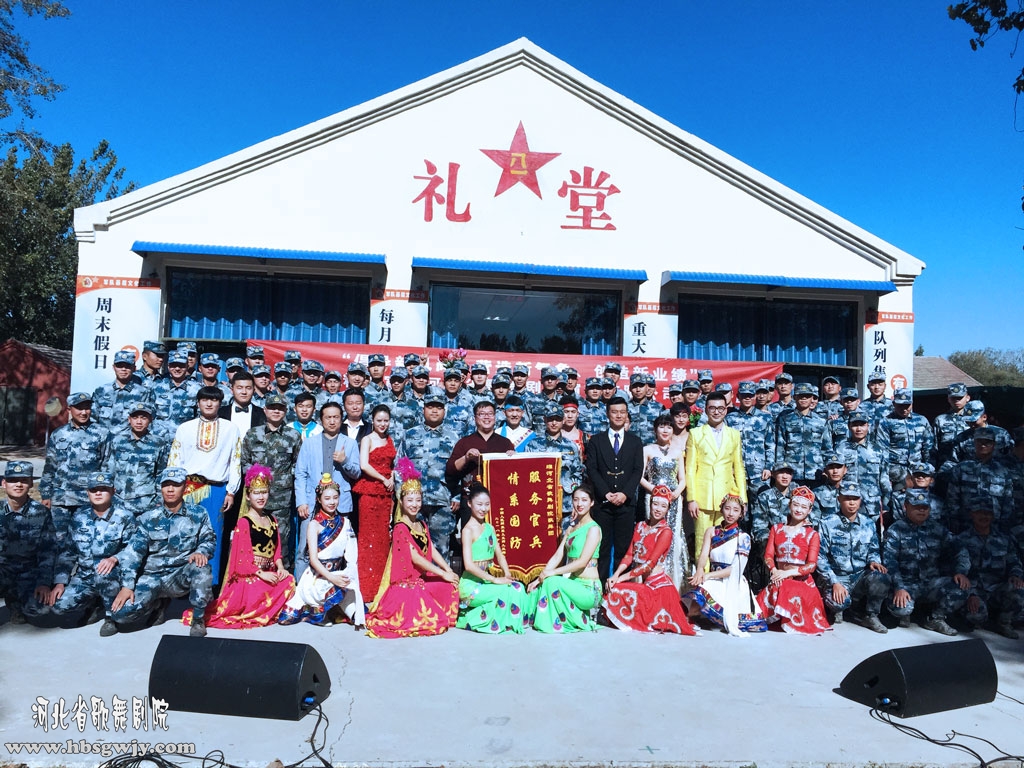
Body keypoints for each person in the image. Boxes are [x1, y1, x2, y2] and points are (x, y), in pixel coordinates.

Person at [186, 465, 295, 629]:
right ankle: (261, 611)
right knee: (261, 589)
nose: (261, 497)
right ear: (248, 496)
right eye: (256, 493)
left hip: (269, 573)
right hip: (250, 577)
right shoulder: (244, 522)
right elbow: (242, 561)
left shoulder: (272, 519)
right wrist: (262, 574)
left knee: (289, 580)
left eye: (264, 492)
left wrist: (280, 568)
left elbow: (277, 551)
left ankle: (267, 609)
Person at [110, 467, 216, 637]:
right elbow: (133, 553)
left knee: (201, 568)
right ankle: (157, 605)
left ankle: (198, 618)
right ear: (160, 488)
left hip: (180, 576)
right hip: (151, 577)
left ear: (185, 487)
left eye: (176, 485)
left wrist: (201, 551)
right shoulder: (148, 518)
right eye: (166, 485)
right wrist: (127, 586)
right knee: (120, 615)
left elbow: (209, 539)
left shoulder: (198, 514)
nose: (170, 489)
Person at [365, 459, 460, 638]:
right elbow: (415, 558)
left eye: (418, 500)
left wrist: (447, 569)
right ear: (401, 502)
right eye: (409, 500)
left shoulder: (421, 524)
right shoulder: (400, 528)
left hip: (421, 578)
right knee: (432, 620)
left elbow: (431, 548)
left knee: (450, 586)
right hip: (406, 584)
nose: (414, 504)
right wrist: (441, 573)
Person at [167, 386, 242, 585]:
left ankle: (210, 583)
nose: (209, 404)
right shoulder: (185, 428)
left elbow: (235, 462)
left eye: (214, 400)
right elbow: (175, 460)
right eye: (204, 400)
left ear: (220, 403)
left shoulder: (231, 429)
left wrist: (231, 492)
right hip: (188, 489)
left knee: (213, 536)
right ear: (198, 403)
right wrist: (173, 489)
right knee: (184, 534)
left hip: (216, 489)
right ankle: (181, 584)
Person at [602, 485, 696, 634]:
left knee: (617, 590)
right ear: (650, 504)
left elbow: (649, 565)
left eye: (663, 506)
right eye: (656, 504)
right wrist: (615, 575)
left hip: (658, 588)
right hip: (645, 584)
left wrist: (620, 579)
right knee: (613, 588)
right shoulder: (640, 526)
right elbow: (629, 555)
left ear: (668, 509)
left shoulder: (665, 532)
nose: (658, 509)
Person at [278, 473, 362, 627]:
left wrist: (349, 575)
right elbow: (313, 560)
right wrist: (332, 578)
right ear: (319, 499)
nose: (332, 502)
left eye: (335, 497)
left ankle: (350, 612)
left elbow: (351, 557)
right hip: (317, 577)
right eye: (327, 498)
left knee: (357, 608)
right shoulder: (314, 525)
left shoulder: (345, 523)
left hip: (337, 573)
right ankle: (320, 611)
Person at [884, 488, 971, 635]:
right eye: (917, 507)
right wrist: (899, 587)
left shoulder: (938, 529)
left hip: (931, 583)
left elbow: (960, 549)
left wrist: (961, 572)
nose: (921, 510)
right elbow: (889, 561)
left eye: (925, 507)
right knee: (902, 609)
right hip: (906, 584)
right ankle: (906, 613)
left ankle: (935, 618)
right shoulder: (896, 530)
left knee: (962, 587)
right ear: (906, 506)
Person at [293, 401, 361, 579]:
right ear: (321, 420)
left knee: (340, 549)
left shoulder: (350, 443)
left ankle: (338, 587)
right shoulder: (309, 443)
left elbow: (356, 473)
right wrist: (301, 501)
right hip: (311, 504)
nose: (332, 421)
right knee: (305, 549)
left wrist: (345, 461)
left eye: (336, 417)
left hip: (339, 504)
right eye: (328, 417)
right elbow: (300, 474)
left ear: (341, 419)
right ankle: (301, 587)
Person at [684, 494, 767, 636]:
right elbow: (703, 555)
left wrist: (708, 575)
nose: (731, 513)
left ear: (741, 514)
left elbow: (734, 570)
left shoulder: (743, 537)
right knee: (693, 605)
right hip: (713, 578)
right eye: (727, 508)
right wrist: (699, 570)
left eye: (736, 510)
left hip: (732, 582)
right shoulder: (711, 531)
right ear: (721, 509)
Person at [527, 483, 603, 633]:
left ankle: (560, 623)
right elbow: (557, 556)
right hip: (573, 583)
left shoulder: (593, 529)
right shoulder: (571, 528)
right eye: (576, 499)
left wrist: (552, 573)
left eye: (584, 500)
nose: (579, 504)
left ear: (592, 503)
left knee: (552, 581)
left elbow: (581, 562)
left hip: (589, 589)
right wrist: (539, 578)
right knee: (539, 587)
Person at [815, 482, 891, 632]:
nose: (851, 502)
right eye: (847, 498)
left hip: (859, 575)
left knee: (881, 577)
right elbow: (820, 556)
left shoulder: (868, 523)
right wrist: (834, 582)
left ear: (860, 500)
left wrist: (874, 560)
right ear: (839, 499)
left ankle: (871, 615)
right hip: (838, 576)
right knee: (838, 603)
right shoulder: (827, 524)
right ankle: (839, 609)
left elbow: (874, 548)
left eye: (855, 499)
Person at [40, 392, 108, 557]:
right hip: (61, 498)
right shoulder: (58, 434)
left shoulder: (102, 433)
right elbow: (50, 466)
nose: (84, 412)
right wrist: (45, 493)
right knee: (59, 542)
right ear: (69, 410)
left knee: (86, 541)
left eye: (87, 408)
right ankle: (60, 572)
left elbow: (107, 466)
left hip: (88, 499)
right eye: (79, 408)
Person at [756, 486, 831, 634]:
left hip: (802, 583)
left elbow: (811, 566)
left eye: (804, 507)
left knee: (785, 587)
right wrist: (775, 571)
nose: (798, 510)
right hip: (779, 579)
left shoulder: (812, 534)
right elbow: (768, 556)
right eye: (795, 505)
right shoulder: (776, 529)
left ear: (809, 510)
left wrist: (786, 573)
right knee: (771, 594)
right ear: (789, 505)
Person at [240, 392, 302, 571]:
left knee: (281, 538)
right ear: (265, 410)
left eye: (280, 408)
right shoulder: (253, 434)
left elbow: (298, 465)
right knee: (254, 536)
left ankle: (282, 574)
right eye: (272, 408)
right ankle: (253, 574)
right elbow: (244, 462)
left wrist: (284, 479)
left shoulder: (293, 436)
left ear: (286, 411)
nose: (276, 411)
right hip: (256, 499)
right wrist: (256, 477)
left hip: (281, 500)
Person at [456, 484, 529, 633]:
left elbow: (500, 555)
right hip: (471, 586)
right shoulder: (467, 531)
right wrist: (494, 579)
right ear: (469, 504)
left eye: (487, 504)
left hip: (485, 582)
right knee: (508, 592)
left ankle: (510, 621)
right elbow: (468, 565)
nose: (483, 509)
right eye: (479, 504)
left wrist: (507, 574)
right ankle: (475, 618)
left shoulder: (490, 528)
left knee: (517, 587)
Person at [585, 397, 644, 579]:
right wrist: (606, 493)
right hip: (603, 504)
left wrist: (625, 493)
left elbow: (637, 470)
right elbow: (592, 469)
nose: (618, 416)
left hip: (626, 504)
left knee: (623, 549)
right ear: (607, 414)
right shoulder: (596, 441)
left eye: (622, 412)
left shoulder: (635, 441)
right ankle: (600, 587)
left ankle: (621, 588)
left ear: (627, 415)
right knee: (601, 549)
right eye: (614, 412)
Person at [398, 392, 461, 562]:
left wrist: (457, 496)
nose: (434, 411)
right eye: (430, 407)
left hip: (442, 501)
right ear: (423, 409)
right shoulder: (410, 435)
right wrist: (402, 497)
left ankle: (441, 579)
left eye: (438, 407)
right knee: (414, 547)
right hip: (414, 502)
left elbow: (460, 470)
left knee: (441, 549)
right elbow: (400, 466)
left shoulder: (454, 437)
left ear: (444, 411)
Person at [685, 391, 747, 558]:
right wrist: (691, 499)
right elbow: (690, 468)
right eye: (712, 408)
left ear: (726, 410)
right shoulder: (696, 433)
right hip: (702, 497)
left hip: (727, 497)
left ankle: (719, 574)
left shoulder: (734, 434)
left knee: (724, 544)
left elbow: (739, 468)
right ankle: (702, 574)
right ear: (706, 410)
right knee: (701, 544)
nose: (716, 412)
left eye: (720, 408)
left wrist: (743, 499)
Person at [1, 460, 57, 625]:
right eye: (13, 480)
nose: (18, 484)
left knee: (41, 607)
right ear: (4, 483)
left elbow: (48, 551)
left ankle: (17, 605)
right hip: (2, 570)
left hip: (28, 572)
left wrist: (44, 583)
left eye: (24, 480)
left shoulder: (41, 513)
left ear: (31, 483)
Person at [957, 502, 1024, 638]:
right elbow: (957, 570)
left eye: (988, 513)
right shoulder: (962, 539)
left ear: (993, 516)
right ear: (972, 514)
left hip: (997, 588)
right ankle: (983, 617)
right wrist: (970, 594)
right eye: (980, 513)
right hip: (975, 590)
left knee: (1019, 590)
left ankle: (1004, 623)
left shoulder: (1004, 539)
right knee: (976, 616)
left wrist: (1015, 575)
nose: (984, 517)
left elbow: (1014, 561)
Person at [352, 404, 398, 600]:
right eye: (379, 420)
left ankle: (382, 585)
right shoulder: (367, 439)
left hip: (386, 494)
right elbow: (364, 465)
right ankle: (367, 588)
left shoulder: (390, 439)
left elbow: (392, 465)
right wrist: (383, 478)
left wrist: (392, 477)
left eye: (386, 421)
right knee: (368, 539)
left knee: (383, 538)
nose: (382, 424)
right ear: (372, 420)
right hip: (370, 492)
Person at [446, 400, 515, 527]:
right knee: (473, 537)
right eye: (482, 414)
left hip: (499, 500)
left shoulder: (505, 443)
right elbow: (451, 469)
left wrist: (513, 458)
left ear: (495, 417)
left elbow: (514, 474)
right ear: (475, 418)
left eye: (490, 413)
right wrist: (466, 457)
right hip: (471, 501)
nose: (486, 417)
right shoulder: (465, 442)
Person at [640, 414, 688, 586]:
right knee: (654, 533)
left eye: (669, 426)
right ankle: (652, 577)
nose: (665, 430)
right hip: (653, 498)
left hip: (673, 500)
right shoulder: (647, 449)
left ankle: (673, 580)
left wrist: (674, 494)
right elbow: (640, 477)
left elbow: (682, 479)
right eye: (661, 426)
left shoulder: (678, 452)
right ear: (655, 430)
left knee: (673, 535)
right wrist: (656, 491)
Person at [100, 402, 169, 518]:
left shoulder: (158, 444)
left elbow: (161, 475)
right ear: (129, 419)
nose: (139, 422)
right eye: (135, 417)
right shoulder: (118, 441)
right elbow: (109, 471)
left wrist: (159, 500)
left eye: (143, 418)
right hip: (119, 502)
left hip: (146, 503)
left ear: (150, 419)